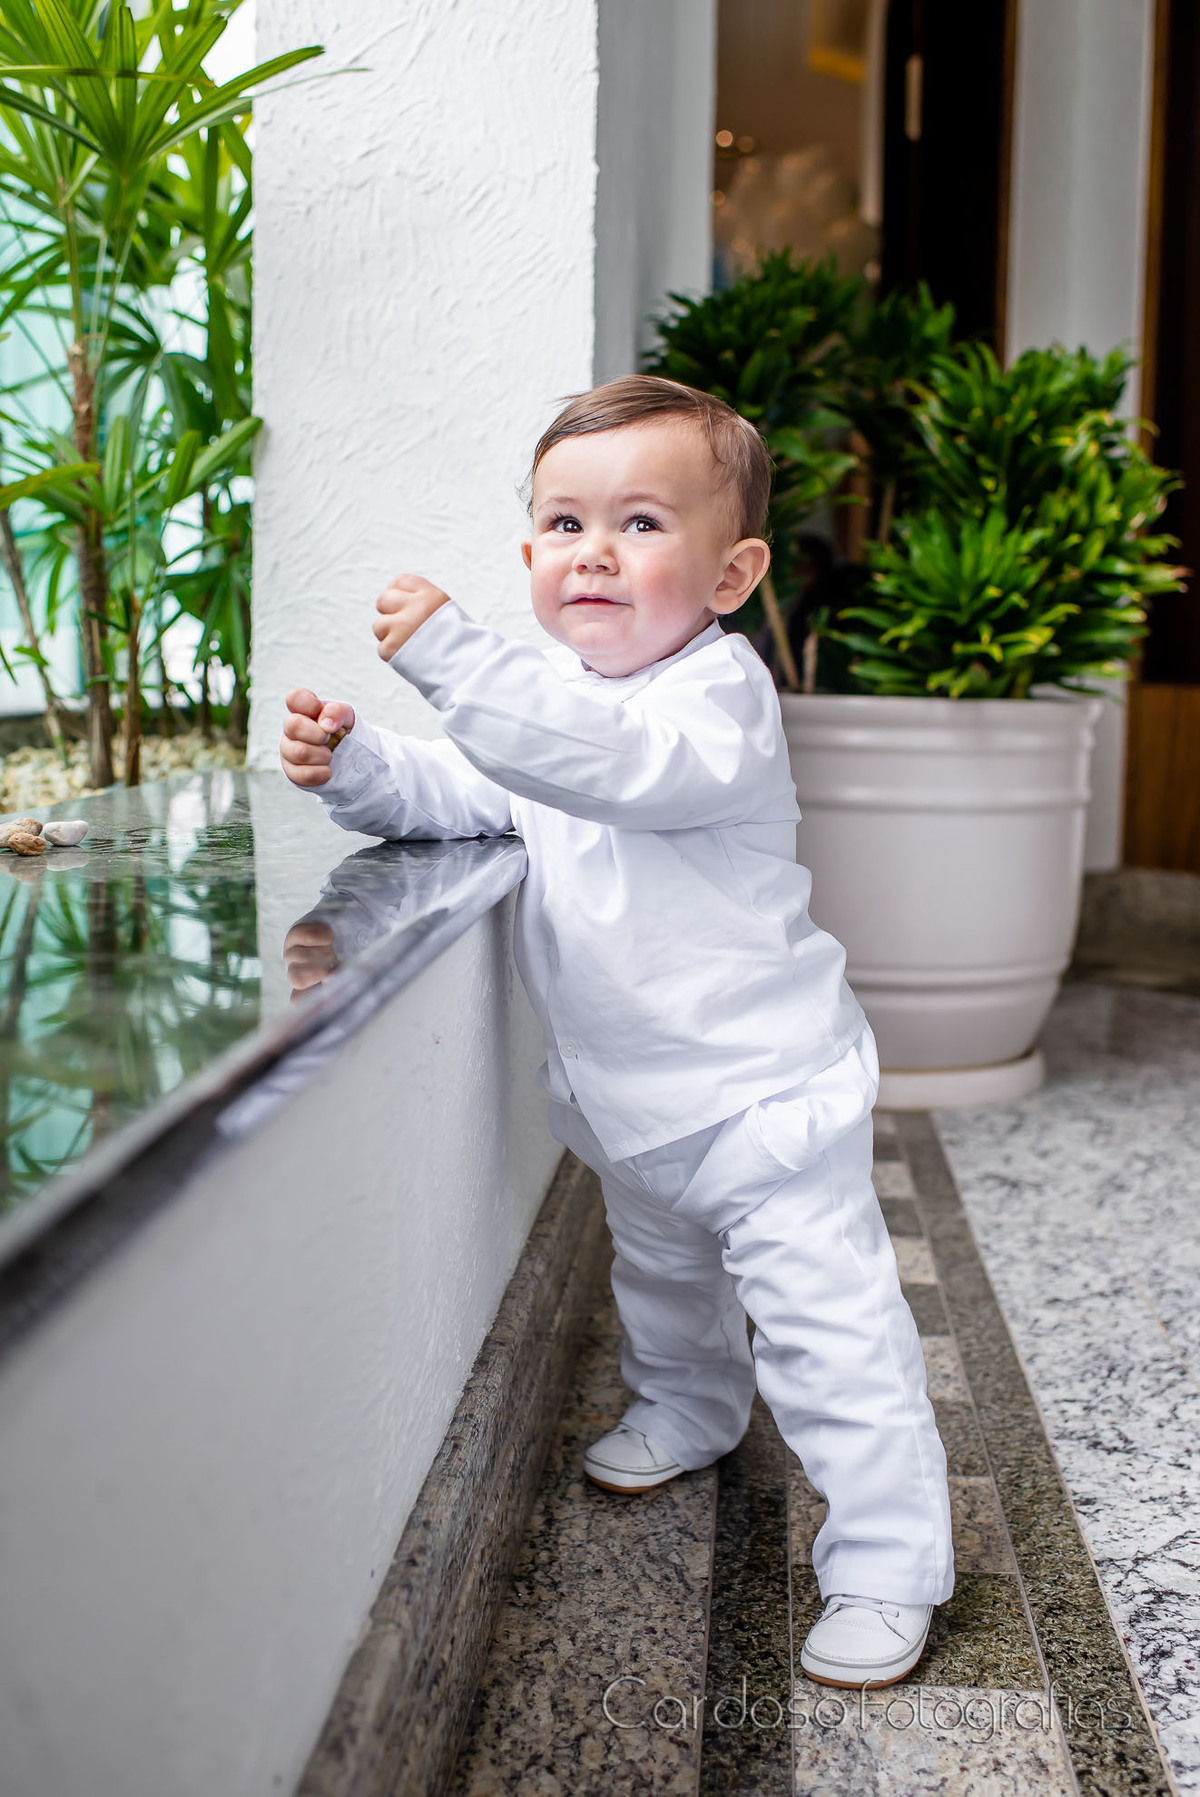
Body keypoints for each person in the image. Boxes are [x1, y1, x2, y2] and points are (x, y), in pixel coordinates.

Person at [278, 375, 954, 1688]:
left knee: (831, 1335)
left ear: (731, 572)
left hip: (764, 1098)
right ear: (531, 552)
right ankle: (688, 1408)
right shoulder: (551, 699)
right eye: (563, 522)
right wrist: (357, 763)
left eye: (642, 521)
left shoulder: (717, 703)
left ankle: (888, 1561)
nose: (594, 549)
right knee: (660, 1284)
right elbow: (471, 784)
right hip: (632, 1105)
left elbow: (604, 767)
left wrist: (454, 658)